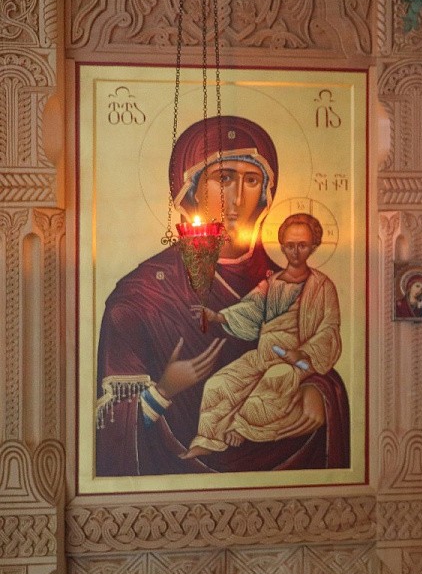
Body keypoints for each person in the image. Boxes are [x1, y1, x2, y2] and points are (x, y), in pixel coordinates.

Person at [94, 115, 351, 475]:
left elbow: (319, 343)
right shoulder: (140, 297)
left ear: (266, 194)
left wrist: (318, 389)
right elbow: (108, 428)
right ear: (190, 190)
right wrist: (163, 391)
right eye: (223, 178)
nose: (237, 197)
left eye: (252, 180)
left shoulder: (290, 284)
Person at [182, 213, 342, 458]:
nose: (295, 252)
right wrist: (217, 317)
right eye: (290, 245)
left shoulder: (322, 286)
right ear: (282, 246)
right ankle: (208, 439)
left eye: (302, 245)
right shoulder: (272, 282)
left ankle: (241, 428)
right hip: (263, 355)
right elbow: (252, 309)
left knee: (275, 379)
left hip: (296, 361)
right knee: (219, 383)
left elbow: (329, 329)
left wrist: (302, 353)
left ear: (313, 247)